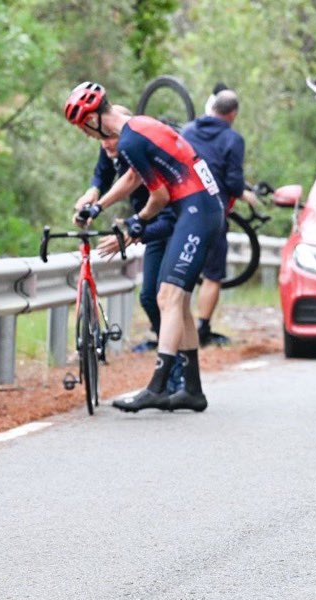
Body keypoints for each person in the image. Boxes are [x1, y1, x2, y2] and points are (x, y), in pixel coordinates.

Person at [63, 82, 223, 412]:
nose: (85, 135)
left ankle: (157, 386)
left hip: (196, 209)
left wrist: (136, 223)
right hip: (197, 207)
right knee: (177, 302)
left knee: (168, 297)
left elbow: (159, 197)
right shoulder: (136, 128)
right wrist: (99, 207)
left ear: (93, 118)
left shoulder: (132, 140)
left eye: (82, 127)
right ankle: (192, 389)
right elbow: (133, 179)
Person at [74, 105, 175, 355]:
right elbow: (102, 175)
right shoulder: (109, 146)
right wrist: (92, 193)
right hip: (146, 222)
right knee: (150, 298)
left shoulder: (136, 148)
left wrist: (131, 233)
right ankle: (169, 352)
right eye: (101, 139)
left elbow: (135, 182)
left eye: (111, 139)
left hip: (170, 222)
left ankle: (176, 360)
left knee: (170, 298)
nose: (106, 145)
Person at [183, 87, 260, 346]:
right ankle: (203, 329)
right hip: (213, 214)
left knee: (183, 272)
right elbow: (233, 180)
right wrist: (243, 194)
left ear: (212, 106)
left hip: (184, 211)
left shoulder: (187, 131)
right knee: (213, 274)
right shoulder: (232, 139)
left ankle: (180, 327)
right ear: (233, 113)